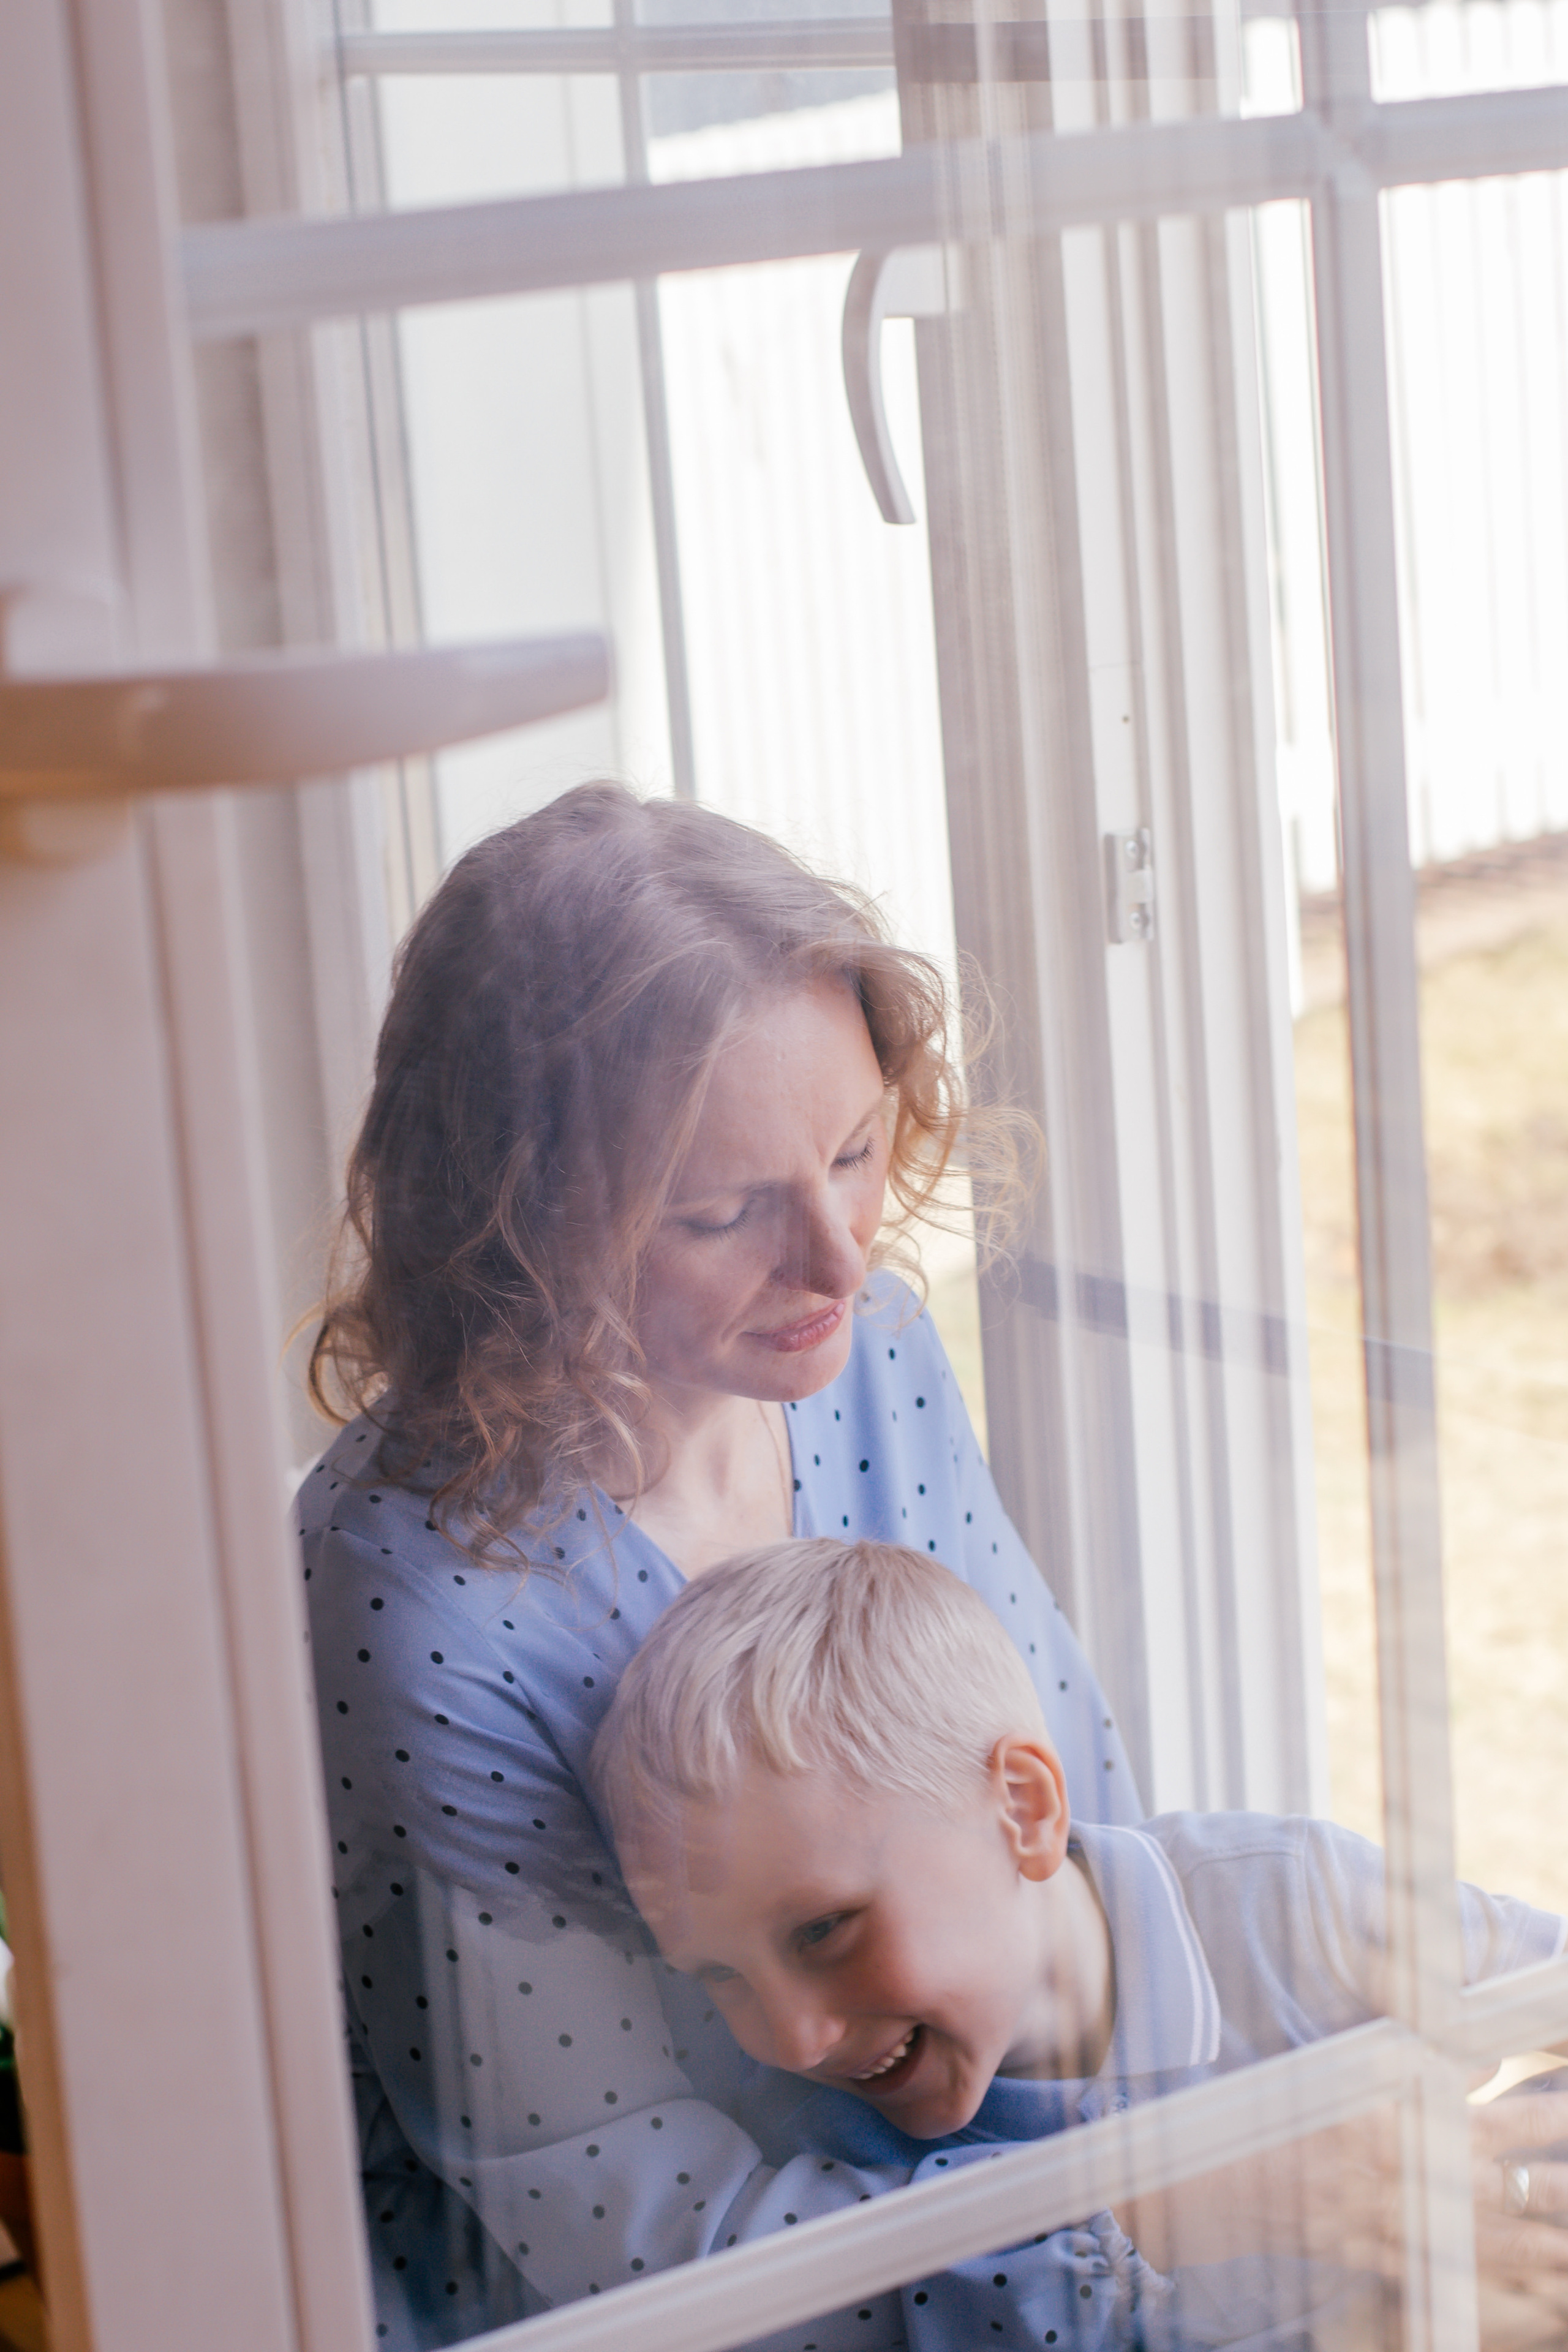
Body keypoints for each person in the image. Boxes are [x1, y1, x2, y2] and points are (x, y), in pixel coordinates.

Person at [300, 782, 1141, 2350]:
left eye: (849, 1150)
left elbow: (1064, 1812)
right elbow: (610, 2206)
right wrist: (1104, 2284)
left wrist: (1218, 2140)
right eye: (720, 1210)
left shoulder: (866, 1345)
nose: (836, 1256)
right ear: (515, 1225)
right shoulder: (415, 1603)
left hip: (1000, 2222)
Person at [589, 1536, 1568, 2349]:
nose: (794, 2039)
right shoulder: (822, 2151)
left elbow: (1551, 1989)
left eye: (823, 1930)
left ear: (1024, 1808)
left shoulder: (1290, 1906)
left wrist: (1515, 2194)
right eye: (718, 1974)